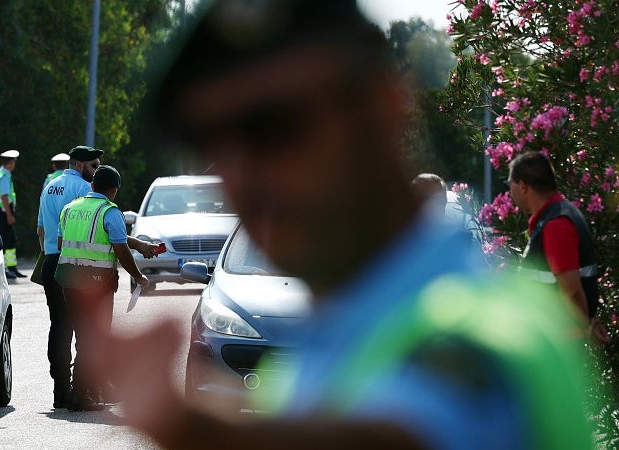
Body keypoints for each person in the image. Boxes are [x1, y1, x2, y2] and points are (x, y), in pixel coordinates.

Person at [84, 1, 598, 449]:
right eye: (210, 141)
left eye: (271, 126)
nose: (240, 174)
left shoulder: (490, 330)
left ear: (382, 105)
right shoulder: (325, 344)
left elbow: (411, 432)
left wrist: (188, 428)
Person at [55, 165, 154, 412]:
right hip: (96, 284)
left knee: (83, 337)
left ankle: (84, 391)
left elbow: (60, 242)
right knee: (94, 339)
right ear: (115, 190)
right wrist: (139, 276)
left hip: (68, 280)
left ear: (91, 186)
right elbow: (120, 250)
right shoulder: (110, 212)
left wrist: (138, 243)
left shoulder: (70, 208)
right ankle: (79, 396)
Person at [506, 151, 610, 345]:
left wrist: (583, 329)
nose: (509, 192)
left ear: (522, 186)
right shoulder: (557, 215)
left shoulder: (556, 224)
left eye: (509, 184)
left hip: (555, 345)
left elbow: (571, 290)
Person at [36, 145, 103, 408]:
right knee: (85, 327)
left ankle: (60, 390)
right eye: (93, 166)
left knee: (59, 326)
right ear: (79, 165)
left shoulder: (49, 187)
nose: (96, 172)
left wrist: (49, 255)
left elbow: (40, 229)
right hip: (75, 264)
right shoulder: (83, 190)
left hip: (51, 261)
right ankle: (81, 390)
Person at [0, 149, 24, 279]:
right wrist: (9, 214)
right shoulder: (4, 176)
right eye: (13, 162)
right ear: (10, 163)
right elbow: (4, 196)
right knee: (6, 240)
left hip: (0, 209)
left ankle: (12, 267)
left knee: (11, 239)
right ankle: (5, 269)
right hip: (3, 210)